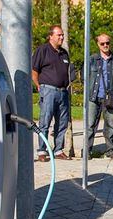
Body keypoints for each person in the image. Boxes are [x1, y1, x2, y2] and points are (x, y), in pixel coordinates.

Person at [32, 25, 71, 161]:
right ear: (51, 36)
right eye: (59, 35)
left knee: (62, 123)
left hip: (63, 92)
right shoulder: (42, 50)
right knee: (45, 122)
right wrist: (39, 86)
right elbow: (34, 71)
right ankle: (42, 151)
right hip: (48, 90)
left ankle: (58, 150)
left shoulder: (64, 53)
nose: (61, 37)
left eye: (62, 35)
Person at [86, 33, 113, 159]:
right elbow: (84, 76)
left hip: (109, 97)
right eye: (102, 43)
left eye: (107, 43)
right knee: (90, 125)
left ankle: (110, 151)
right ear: (98, 44)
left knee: (110, 126)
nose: (105, 45)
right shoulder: (91, 59)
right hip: (93, 97)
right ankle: (87, 151)